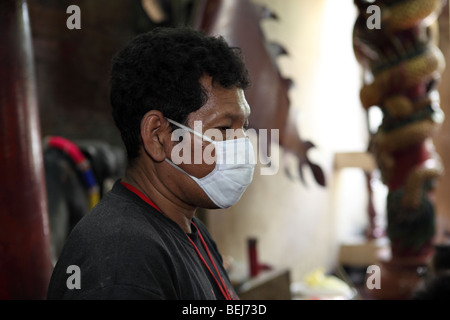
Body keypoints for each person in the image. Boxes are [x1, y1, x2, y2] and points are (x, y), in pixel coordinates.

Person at [46, 26, 255, 300]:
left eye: (244, 127)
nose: (242, 146)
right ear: (158, 136)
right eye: (224, 129)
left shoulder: (188, 228)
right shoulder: (122, 258)